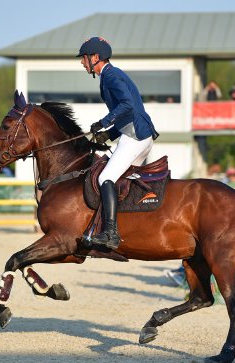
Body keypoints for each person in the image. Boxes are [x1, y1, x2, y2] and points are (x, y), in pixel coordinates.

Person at [77, 36, 159, 249]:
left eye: (84, 58)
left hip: (136, 137)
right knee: (115, 175)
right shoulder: (108, 76)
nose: (82, 62)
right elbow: (126, 114)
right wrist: (108, 134)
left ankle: (111, 233)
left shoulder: (111, 76)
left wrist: (103, 123)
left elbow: (128, 106)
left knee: (106, 177)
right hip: (133, 134)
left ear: (96, 57)